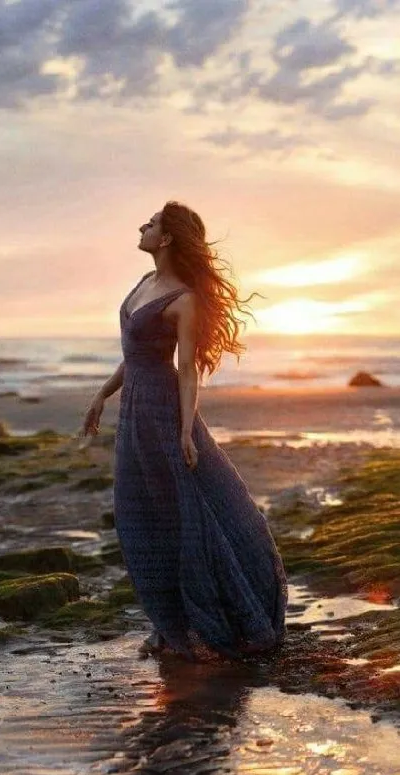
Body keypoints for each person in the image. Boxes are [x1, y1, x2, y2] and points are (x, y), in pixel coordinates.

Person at [82, 200, 288, 662]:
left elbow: (188, 368)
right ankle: (169, 622)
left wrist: (186, 431)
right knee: (143, 514)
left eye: (151, 222)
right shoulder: (142, 284)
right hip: (134, 410)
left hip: (163, 411)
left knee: (189, 515)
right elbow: (134, 353)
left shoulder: (183, 299)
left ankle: (216, 619)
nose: (142, 225)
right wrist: (102, 395)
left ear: (168, 237)